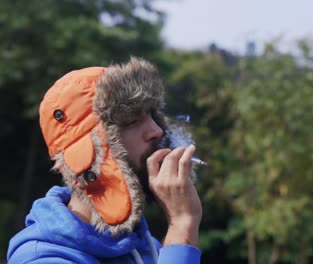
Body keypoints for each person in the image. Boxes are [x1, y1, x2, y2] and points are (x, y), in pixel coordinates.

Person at [7, 57, 203, 263]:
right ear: (90, 154)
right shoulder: (42, 259)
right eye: (132, 121)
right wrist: (182, 224)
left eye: (152, 115)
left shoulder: (147, 246)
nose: (157, 130)